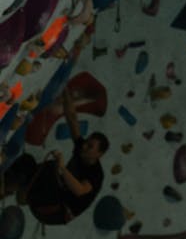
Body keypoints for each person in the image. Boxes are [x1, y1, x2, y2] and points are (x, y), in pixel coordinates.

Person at [1, 87, 108, 225]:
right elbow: (72, 118)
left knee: (50, 169)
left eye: (90, 146)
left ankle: (9, 188)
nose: (85, 146)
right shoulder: (81, 149)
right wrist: (65, 90)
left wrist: (62, 168)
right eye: (87, 142)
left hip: (57, 212)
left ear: (99, 154)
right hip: (53, 195)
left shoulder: (96, 174)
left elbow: (80, 190)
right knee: (27, 162)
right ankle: (7, 183)